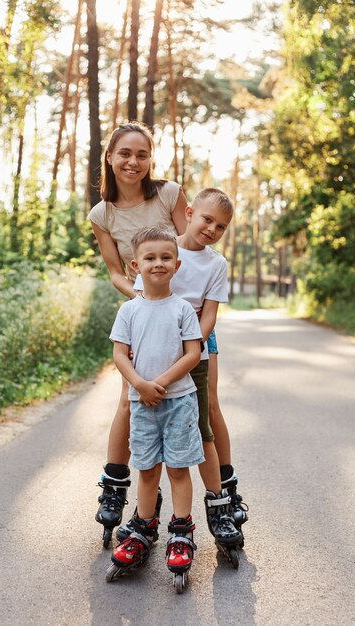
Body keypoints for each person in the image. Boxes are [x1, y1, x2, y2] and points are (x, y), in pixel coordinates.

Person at [120, 188, 245, 551]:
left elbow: (208, 316)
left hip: (196, 351)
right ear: (189, 213)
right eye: (207, 219)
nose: (212, 229)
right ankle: (145, 513)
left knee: (203, 424)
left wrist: (186, 350)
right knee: (145, 425)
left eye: (221, 227)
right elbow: (143, 302)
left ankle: (219, 503)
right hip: (151, 355)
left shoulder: (215, 264)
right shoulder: (160, 248)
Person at [106, 227, 203, 581]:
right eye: (150, 258)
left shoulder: (182, 309)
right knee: (147, 470)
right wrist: (139, 385)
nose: (158, 263)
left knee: (178, 468)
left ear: (176, 265)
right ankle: (143, 528)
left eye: (165, 258)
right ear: (136, 265)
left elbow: (193, 353)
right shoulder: (129, 310)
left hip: (178, 402)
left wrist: (159, 384)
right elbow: (119, 355)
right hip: (141, 403)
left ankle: (181, 531)